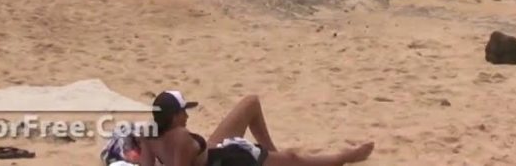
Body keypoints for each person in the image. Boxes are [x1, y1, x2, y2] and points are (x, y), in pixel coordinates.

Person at [137, 91, 374, 166]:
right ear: (174, 116)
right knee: (294, 157)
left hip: (213, 150)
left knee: (251, 103)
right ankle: (344, 158)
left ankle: (276, 159)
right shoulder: (180, 137)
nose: (188, 116)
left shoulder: (148, 135)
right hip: (226, 161)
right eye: (184, 112)